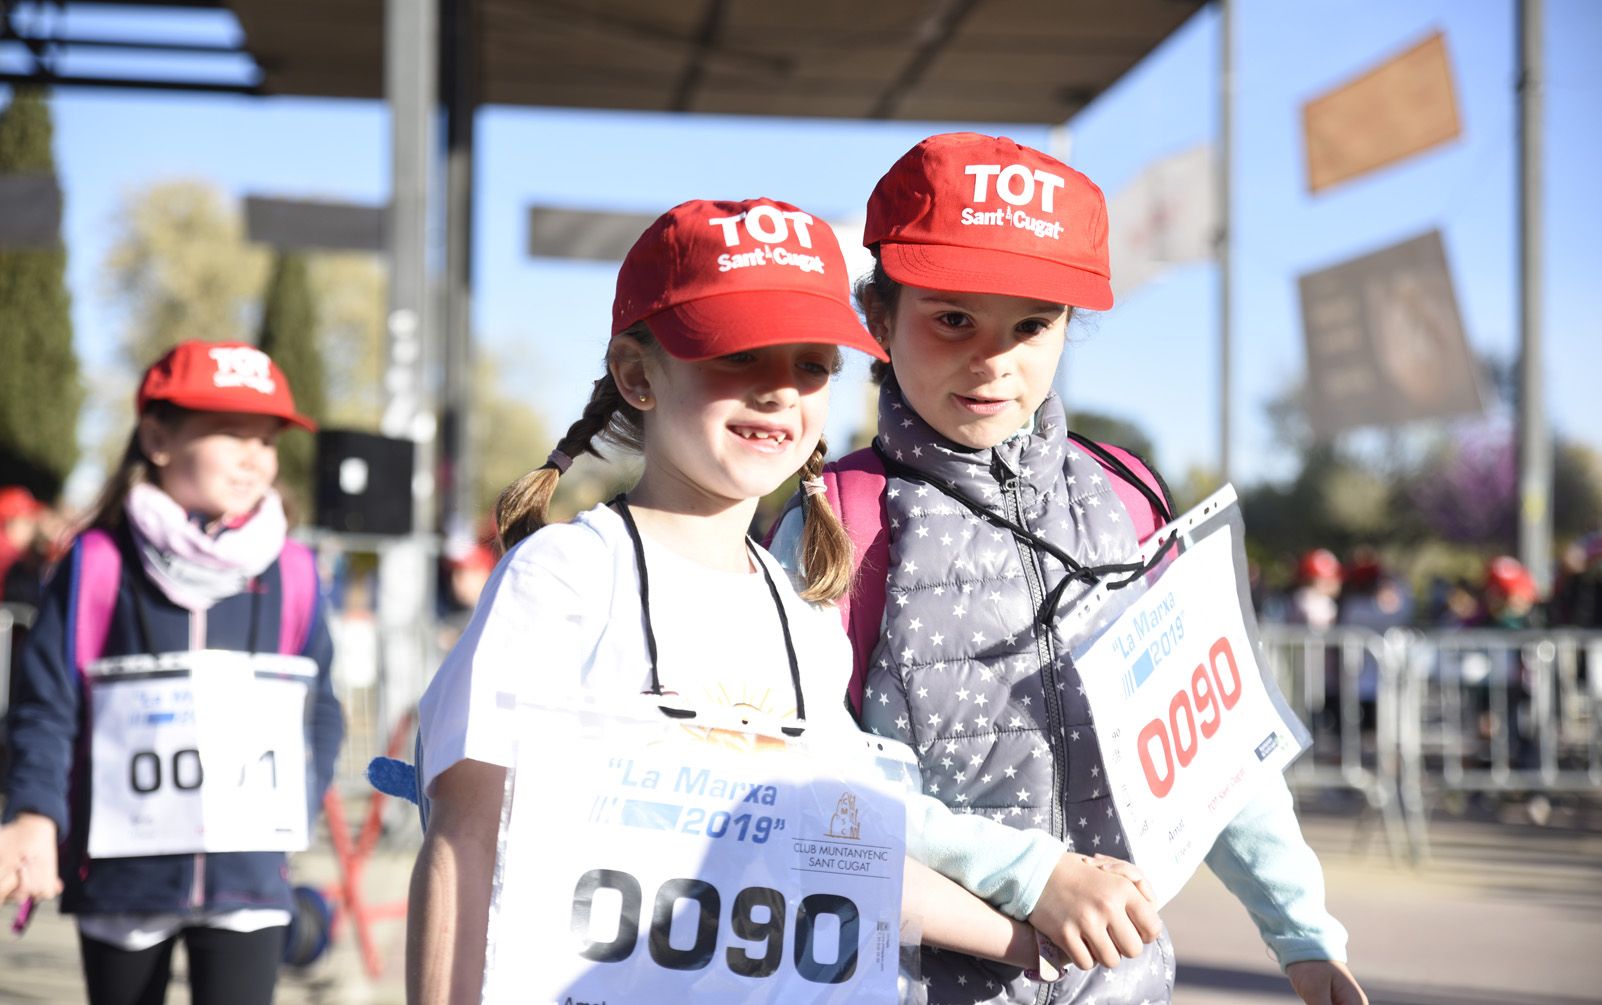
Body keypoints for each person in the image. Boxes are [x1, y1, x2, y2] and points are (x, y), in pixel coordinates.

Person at [406, 198, 1162, 1005]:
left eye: (809, 365)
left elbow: (843, 855)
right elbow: (465, 841)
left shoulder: (802, 616)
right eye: (737, 355)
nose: (778, 393)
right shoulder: (565, 578)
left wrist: (1038, 930)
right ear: (637, 374)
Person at [770, 133, 1366, 1005]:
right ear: (877, 317)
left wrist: (1305, 934)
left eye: (1032, 325)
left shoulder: (1128, 498)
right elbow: (815, 783)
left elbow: (1214, 744)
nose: (994, 359)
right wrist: (1035, 874)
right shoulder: (833, 522)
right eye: (952, 318)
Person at [0, 340, 345, 1005]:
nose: (255, 457)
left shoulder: (295, 570)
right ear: (157, 437)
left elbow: (320, 705)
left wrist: (295, 800)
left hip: (249, 879)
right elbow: (47, 703)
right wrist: (35, 814)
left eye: (267, 439)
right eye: (231, 433)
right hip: (125, 876)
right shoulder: (96, 563)